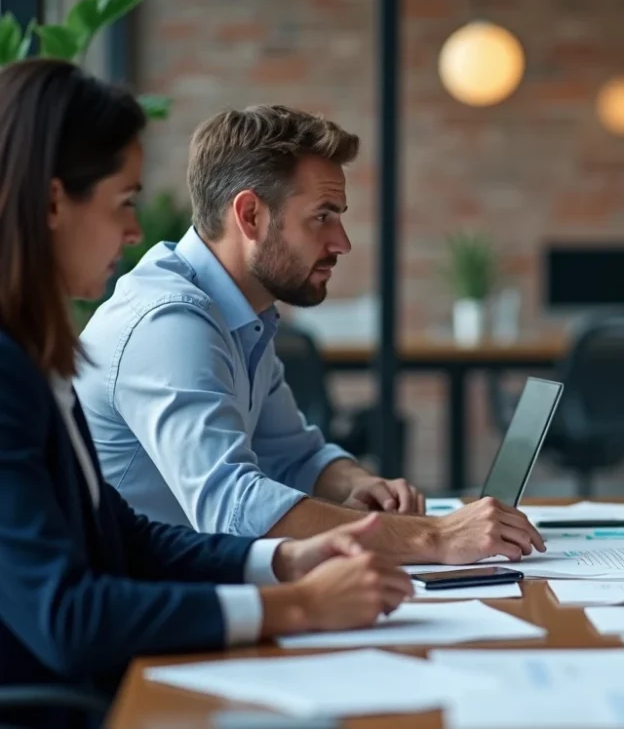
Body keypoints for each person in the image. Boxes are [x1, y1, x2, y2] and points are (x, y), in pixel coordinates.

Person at [0, 59, 415, 728]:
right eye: (123, 202)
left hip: (125, 666)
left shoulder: (34, 353)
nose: (135, 231)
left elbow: (123, 536)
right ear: (53, 204)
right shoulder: (58, 356)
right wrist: (301, 603)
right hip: (90, 700)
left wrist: (284, 559)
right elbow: (66, 615)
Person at [75, 103, 544, 565]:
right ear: (251, 216)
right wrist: (435, 536)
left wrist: (357, 483)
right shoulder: (170, 323)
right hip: (137, 616)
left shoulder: (243, 319)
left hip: (191, 589)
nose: (342, 242)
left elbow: (293, 454)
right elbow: (233, 507)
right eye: (322, 216)